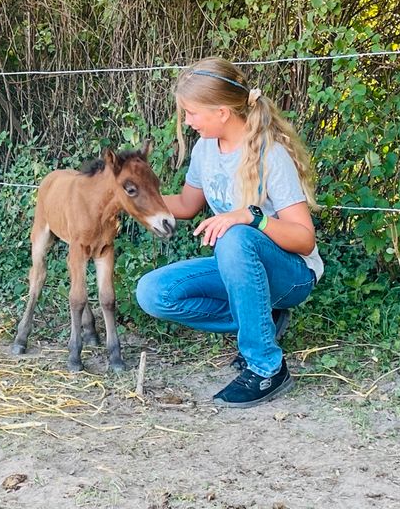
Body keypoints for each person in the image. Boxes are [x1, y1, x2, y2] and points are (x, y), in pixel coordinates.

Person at [136, 57, 323, 408]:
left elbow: (304, 238)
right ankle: (261, 320)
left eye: (191, 112)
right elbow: (189, 204)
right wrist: (132, 199)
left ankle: (267, 366)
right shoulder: (206, 149)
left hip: (293, 275)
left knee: (235, 236)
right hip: (240, 269)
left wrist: (251, 217)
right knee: (153, 293)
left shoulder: (271, 155)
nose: (187, 122)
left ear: (222, 112)